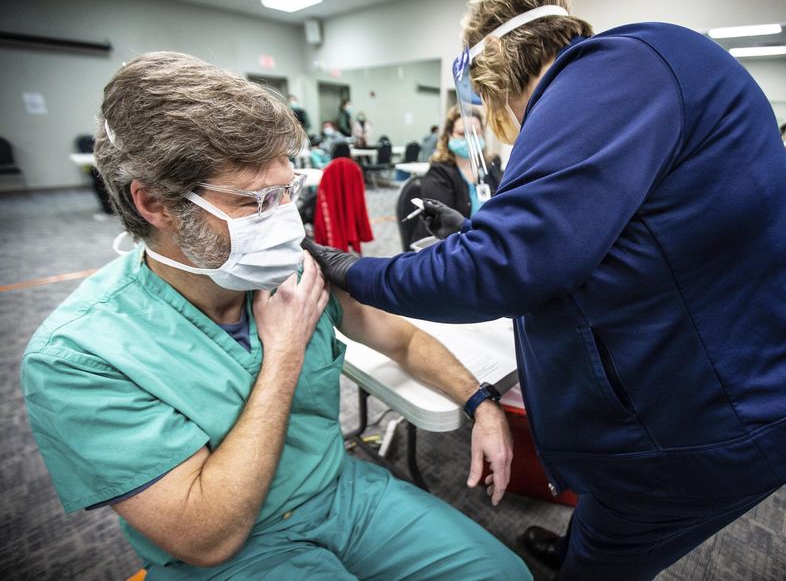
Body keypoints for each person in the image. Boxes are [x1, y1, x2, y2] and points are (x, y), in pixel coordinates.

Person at [303, 0, 786, 580]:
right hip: (739, 384)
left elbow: (501, 268)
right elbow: (604, 237)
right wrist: (477, 231)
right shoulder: (640, 70)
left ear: (495, 66)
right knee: (606, 523)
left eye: (495, 103)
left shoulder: (612, 72)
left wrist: (351, 270)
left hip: (720, 425)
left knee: (607, 563)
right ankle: (582, 546)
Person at [19, 52, 531, 581]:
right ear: (156, 204)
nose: (286, 222)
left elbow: (399, 341)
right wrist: (283, 352)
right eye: (256, 201)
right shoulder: (80, 357)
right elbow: (206, 535)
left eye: (288, 192)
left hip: (340, 492)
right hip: (239, 547)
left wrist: (481, 402)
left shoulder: (287, 269)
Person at [422, 106, 502, 217]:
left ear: (482, 134)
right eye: (461, 134)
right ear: (449, 135)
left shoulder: (491, 166)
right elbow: (443, 225)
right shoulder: (439, 174)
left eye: (474, 133)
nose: (469, 140)